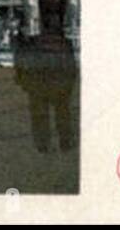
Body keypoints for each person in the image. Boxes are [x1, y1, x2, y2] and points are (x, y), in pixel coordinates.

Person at [13, 11, 78, 153]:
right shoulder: (65, 43)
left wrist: (25, 83)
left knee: (40, 116)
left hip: (39, 85)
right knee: (63, 115)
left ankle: (43, 145)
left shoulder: (34, 43)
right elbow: (72, 67)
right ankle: (65, 143)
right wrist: (69, 84)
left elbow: (26, 63)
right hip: (61, 85)